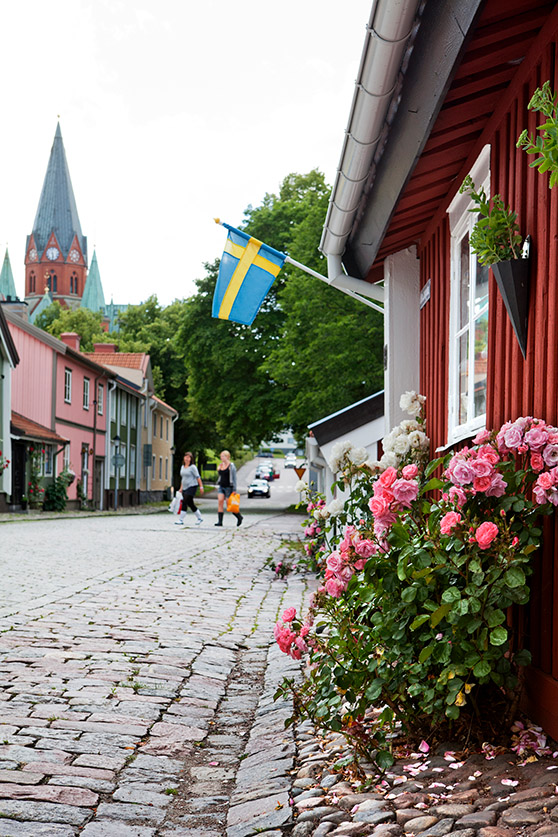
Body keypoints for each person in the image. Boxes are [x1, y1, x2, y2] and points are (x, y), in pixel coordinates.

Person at [215, 449, 243, 527]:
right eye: (221, 456)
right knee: (220, 501)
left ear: (227, 457)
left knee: (229, 505)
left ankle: (239, 517)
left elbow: (234, 478)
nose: (221, 458)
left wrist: (234, 489)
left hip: (229, 487)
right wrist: (219, 470)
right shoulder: (220, 465)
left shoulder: (231, 466)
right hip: (221, 486)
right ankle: (220, 522)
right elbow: (220, 476)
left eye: (223, 456)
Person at [175, 452, 204, 525]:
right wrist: (181, 488)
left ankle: (181, 519)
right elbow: (183, 478)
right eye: (186, 457)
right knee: (190, 503)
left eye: (188, 457)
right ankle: (199, 517)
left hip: (192, 486)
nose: (187, 459)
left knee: (185, 501)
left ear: (191, 459)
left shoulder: (193, 467)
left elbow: (198, 477)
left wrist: (201, 486)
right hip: (185, 487)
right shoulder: (182, 467)